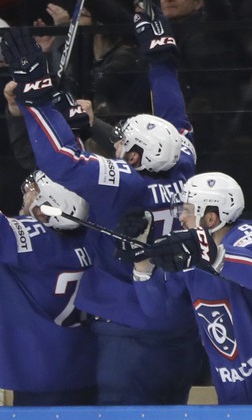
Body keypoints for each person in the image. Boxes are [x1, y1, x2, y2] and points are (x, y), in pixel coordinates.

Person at [5, 25, 203, 406]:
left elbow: (60, 161)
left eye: (123, 144)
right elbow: (175, 120)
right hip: (182, 325)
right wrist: (162, 62)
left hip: (128, 330)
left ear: (134, 157)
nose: (115, 144)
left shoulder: (124, 185)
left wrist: (36, 100)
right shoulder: (185, 165)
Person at [130, 173, 252, 405]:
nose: (182, 217)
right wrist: (141, 263)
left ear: (210, 218)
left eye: (188, 210)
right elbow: (162, 314)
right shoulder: (188, 258)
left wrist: (213, 256)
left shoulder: (249, 235)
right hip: (234, 390)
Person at [0, 171, 96, 406]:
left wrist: (26, 217)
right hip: (87, 368)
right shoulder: (95, 237)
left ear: (47, 210)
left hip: (39, 370)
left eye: (36, 194)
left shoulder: (28, 239)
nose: (29, 196)